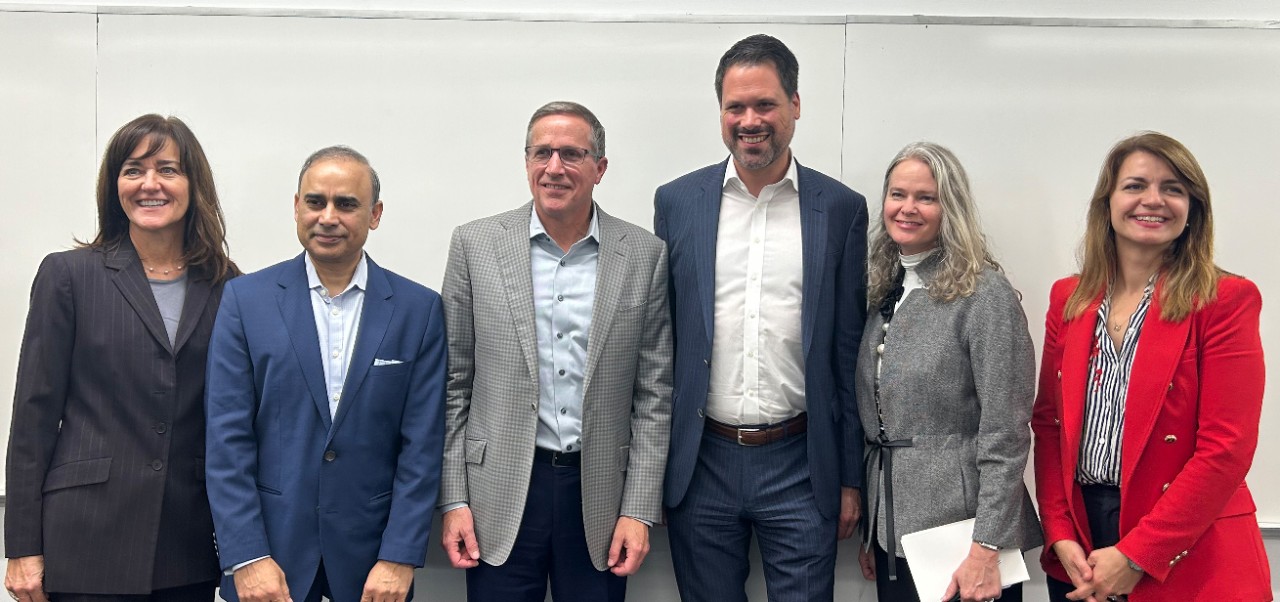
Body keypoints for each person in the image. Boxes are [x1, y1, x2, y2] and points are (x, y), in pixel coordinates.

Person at [654, 34, 868, 602]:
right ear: (720, 112)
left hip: (802, 463)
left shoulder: (840, 209)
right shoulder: (676, 203)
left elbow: (847, 353)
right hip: (701, 463)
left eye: (765, 104)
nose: (750, 120)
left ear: (795, 105)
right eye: (735, 107)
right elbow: (660, 344)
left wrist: (850, 476)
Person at [437, 101, 671, 602]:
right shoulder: (474, 245)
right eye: (542, 153)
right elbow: (454, 383)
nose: (554, 167)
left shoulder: (644, 255)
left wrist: (638, 508)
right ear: (526, 163)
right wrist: (453, 498)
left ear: (600, 168)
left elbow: (654, 396)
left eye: (572, 153)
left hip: (601, 498)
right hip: (496, 495)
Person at [4, 114, 238, 602]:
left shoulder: (227, 285)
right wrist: (22, 547)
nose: (149, 184)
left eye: (167, 169)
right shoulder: (69, 275)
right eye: (133, 170)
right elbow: (34, 417)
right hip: (83, 541)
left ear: (194, 184)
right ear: (115, 186)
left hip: (187, 543)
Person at [1032, 132, 1273, 601]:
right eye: (1135, 185)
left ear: (1192, 210)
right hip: (1082, 540)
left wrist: (1141, 553)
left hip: (1187, 544)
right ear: (1108, 202)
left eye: (1174, 189)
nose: (1153, 200)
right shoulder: (1070, 298)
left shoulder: (1224, 300)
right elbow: (1049, 425)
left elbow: (1226, 449)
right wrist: (1059, 531)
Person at [204, 146, 445, 602]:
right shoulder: (244, 301)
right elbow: (226, 440)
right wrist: (247, 556)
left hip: (374, 565)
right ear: (296, 207)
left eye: (347, 204)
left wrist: (399, 556)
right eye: (315, 202)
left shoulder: (419, 310)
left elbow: (422, 447)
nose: (328, 216)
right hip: (269, 562)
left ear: (374, 214)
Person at [853, 142, 1042, 602]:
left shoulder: (984, 293)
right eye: (898, 194)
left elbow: (1007, 432)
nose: (908, 208)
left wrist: (985, 548)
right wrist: (874, 530)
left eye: (926, 197)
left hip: (962, 542)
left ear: (950, 207)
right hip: (893, 534)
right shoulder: (885, 288)